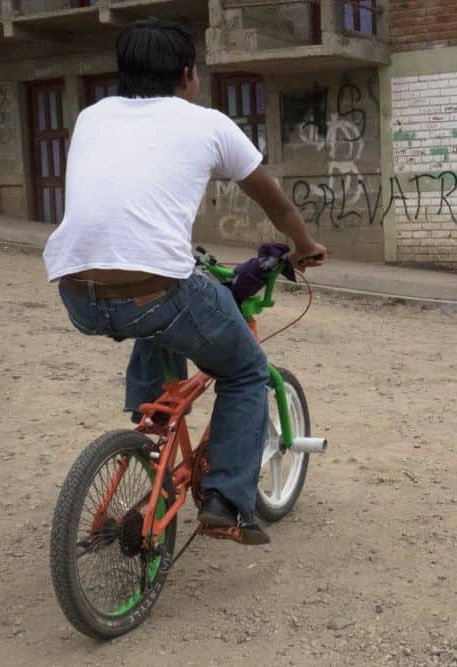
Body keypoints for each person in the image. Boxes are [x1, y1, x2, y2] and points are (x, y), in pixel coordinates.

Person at [42, 19, 328, 545]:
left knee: (156, 316)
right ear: (186, 74)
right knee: (245, 370)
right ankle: (227, 500)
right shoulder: (207, 123)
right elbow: (275, 201)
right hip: (155, 289)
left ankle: (148, 420)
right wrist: (304, 247)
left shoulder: (90, 116)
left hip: (78, 293)